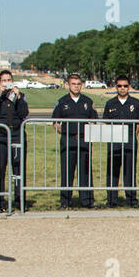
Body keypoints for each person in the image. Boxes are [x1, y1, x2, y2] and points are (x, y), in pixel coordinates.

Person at [0, 69, 28, 213]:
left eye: (9, 80)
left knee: (19, 169)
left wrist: (18, 96)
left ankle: (20, 199)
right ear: (0, 82)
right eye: (4, 80)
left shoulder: (19, 96)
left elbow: (23, 113)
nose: (7, 83)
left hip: (16, 133)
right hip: (0, 135)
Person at [51, 73, 97, 208]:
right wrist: (65, 133)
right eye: (73, 84)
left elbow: (93, 121)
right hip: (68, 140)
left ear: (81, 85)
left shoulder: (88, 102)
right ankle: (65, 201)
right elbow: (55, 122)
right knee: (67, 171)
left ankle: (87, 201)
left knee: (85, 171)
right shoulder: (62, 102)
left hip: (84, 140)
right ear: (68, 85)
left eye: (78, 84)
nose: (76, 87)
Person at [102, 74, 139, 207]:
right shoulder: (110, 104)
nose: (122, 88)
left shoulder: (136, 103)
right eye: (119, 86)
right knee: (113, 171)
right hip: (114, 142)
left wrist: (132, 136)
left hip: (130, 141)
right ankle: (111, 200)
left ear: (129, 87)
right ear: (116, 87)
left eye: (125, 86)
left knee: (130, 171)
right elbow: (106, 123)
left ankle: (131, 200)